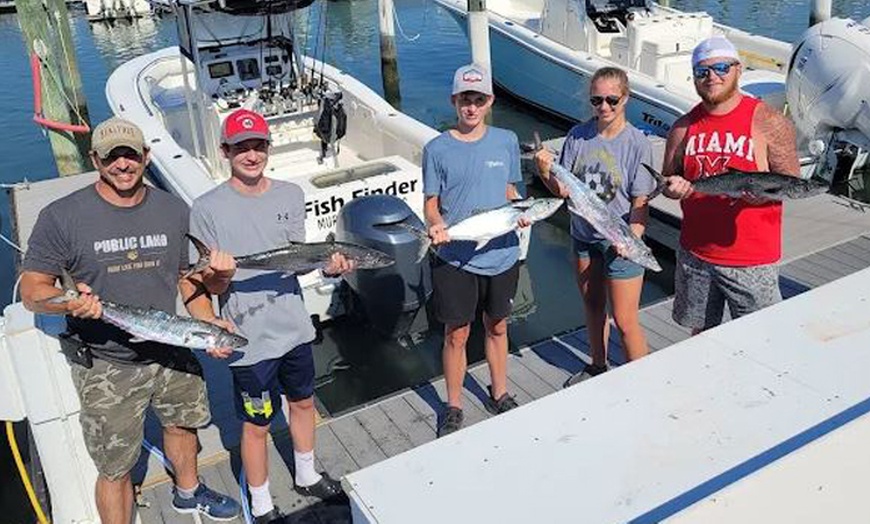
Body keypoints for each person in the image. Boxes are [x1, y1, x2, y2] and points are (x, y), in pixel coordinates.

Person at [19, 117, 241, 523]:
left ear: (146, 156)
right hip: (106, 362)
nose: (123, 164)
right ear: (95, 160)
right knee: (115, 466)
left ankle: (188, 492)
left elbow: (186, 278)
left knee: (183, 425)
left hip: (170, 345)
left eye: (131, 155)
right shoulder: (62, 216)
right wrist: (69, 304)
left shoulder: (172, 209)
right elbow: (34, 290)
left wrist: (210, 323)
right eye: (111, 157)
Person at [188, 109, 354, 523]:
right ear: (225, 151)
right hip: (249, 341)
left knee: (303, 402)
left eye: (258, 145)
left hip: (294, 328)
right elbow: (209, 287)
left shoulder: (290, 194)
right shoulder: (206, 208)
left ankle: (307, 474)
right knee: (256, 422)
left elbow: (296, 261)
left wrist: (327, 266)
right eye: (240, 146)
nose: (250, 154)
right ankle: (261, 503)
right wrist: (219, 275)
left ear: (268, 148)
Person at [660, 36, 801, 333]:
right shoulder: (682, 127)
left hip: (752, 260)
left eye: (721, 67)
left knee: (761, 338)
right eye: (702, 71)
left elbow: (792, 183)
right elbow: (669, 180)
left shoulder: (769, 121)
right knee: (701, 337)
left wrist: (761, 198)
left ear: (738, 69)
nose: (712, 77)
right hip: (695, 254)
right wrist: (672, 189)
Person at [424, 64, 529, 438]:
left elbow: (510, 192)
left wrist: (522, 212)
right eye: (465, 100)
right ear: (454, 101)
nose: (471, 107)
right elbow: (432, 203)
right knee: (456, 333)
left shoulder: (506, 140)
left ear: (490, 102)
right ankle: (453, 404)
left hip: (500, 253)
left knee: (498, 325)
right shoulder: (436, 148)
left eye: (478, 100)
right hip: (455, 256)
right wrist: (435, 225)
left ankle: (499, 392)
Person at [535, 67, 656, 387]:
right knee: (592, 306)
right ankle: (598, 365)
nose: (603, 106)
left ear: (626, 98)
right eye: (596, 100)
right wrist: (545, 170)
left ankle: (642, 382)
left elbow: (641, 201)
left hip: (620, 241)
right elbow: (561, 190)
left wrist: (633, 239)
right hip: (584, 236)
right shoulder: (577, 135)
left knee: (626, 320)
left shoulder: (637, 143)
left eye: (611, 100)